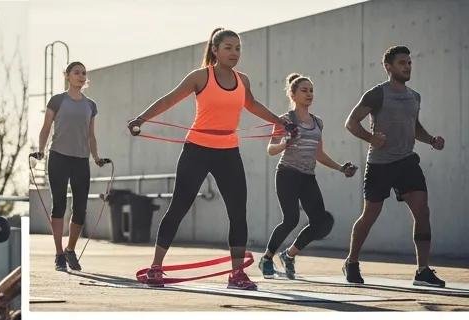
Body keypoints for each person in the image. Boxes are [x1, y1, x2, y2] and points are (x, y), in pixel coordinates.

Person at [127, 28, 290, 290]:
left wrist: (279, 121)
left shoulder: (243, 80)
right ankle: (156, 268)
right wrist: (141, 119)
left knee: (238, 212)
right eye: (228, 47)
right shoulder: (201, 76)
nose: (234, 53)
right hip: (197, 149)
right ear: (215, 50)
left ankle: (237, 274)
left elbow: (252, 105)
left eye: (238, 48)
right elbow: (170, 99)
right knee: (179, 207)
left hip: (228, 151)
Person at [343, 45, 446, 287]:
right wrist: (371, 138)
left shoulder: (414, 97)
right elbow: (351, 122)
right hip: (380, 164)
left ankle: (422, 271)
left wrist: (431, 139)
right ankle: (351, 261)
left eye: (409, 62)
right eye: (402, 63)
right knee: (370, 215)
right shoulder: (377, 94)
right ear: (388, 67)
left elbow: (414, 127)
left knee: (422, 211)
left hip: (407, 162)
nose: (407, 67)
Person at [260, 74, 357, 279]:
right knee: (291, 219)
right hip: (287, 174)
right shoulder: (285, 120)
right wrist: (285, 143)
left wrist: (341, 168)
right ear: (292, 94)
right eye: (304, 90)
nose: (309, 94)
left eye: (311, 90)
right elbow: (270, 149)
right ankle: (267, 258)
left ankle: (289, 255)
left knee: (320, 222)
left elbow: (318, 154)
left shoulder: (318, 122)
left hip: (307, 177)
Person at [33, 61, 110, 272]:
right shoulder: (57, 100)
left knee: (80, 209)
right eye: (76, 72)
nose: (81, 76)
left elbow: (91, 136)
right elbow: (46, 127)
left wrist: (96, 157)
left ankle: (70, 250)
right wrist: (40, 150)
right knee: (59, 206)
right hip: (58, 157)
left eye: (84, 73)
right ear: (67, 75)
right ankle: (59, 254)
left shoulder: (91, 105)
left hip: (81, 160)